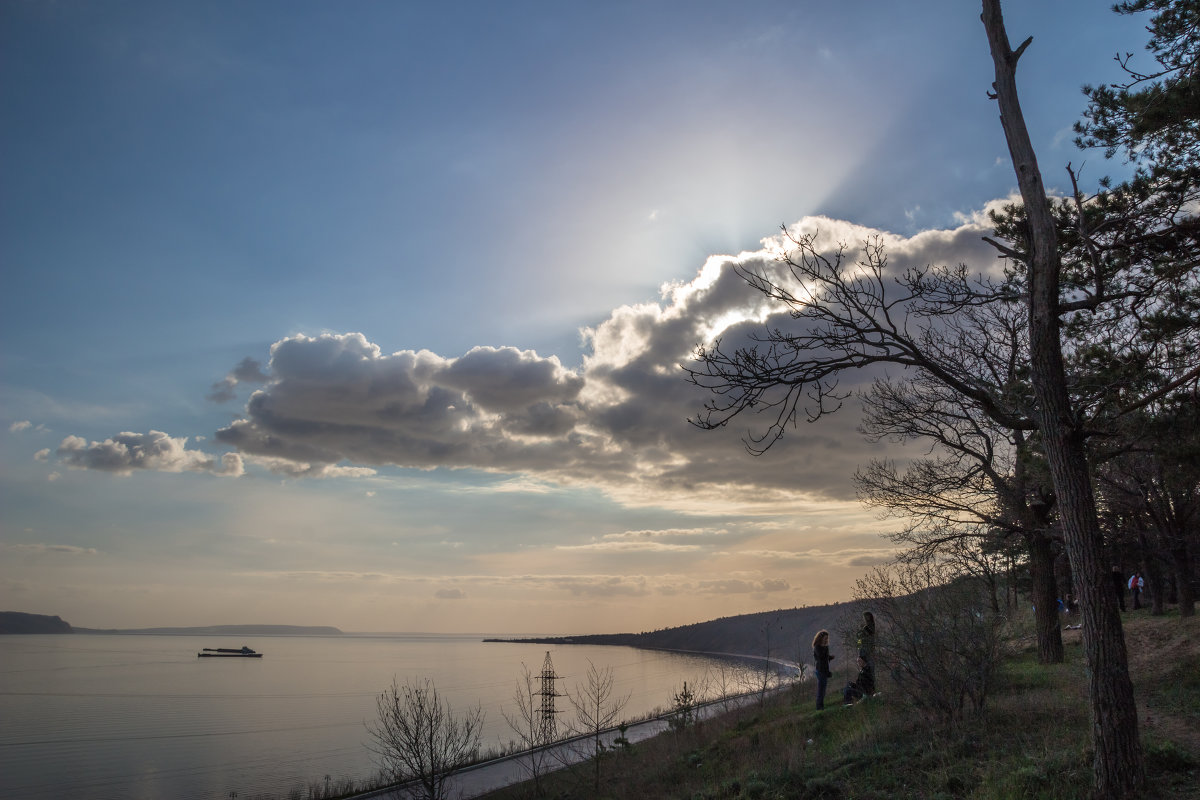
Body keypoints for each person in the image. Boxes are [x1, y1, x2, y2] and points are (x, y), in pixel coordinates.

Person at [812, 629, 834, 710]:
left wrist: (830, 657)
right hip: (820, 670)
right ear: (821, 638)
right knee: (821, 690)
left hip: (824, 670)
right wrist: (825, 649)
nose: (826, 640)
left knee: (823, 690)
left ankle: (821, 706)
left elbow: (825, 658)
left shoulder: (824, 647)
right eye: (825, 638)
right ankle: (819, 707)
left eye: (827, 638)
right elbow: (821, 657)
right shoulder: (817, 647)